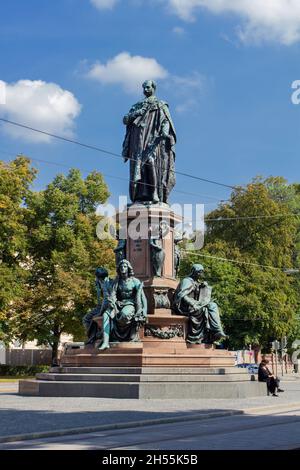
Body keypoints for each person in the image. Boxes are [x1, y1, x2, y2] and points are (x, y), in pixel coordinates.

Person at [122, 80, 176, 204]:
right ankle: (139, 196)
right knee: (137, 166)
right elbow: (125, 119)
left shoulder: (160, 104)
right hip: (137, 140)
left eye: (148, 87)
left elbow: (166, 121)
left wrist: (164, 132)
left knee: (150, 162)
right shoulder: (137, 105)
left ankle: (154, 193)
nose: (145, 90)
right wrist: (137, 113)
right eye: (144, 88)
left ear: (153, 88)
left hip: (153, 140)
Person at [98, 259, 148, 350]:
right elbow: (113, 294)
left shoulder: (135, 281)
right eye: (121, 267)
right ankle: (105, 342)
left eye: (125, 266)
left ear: (128, 268)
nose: (122, 268)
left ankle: (123, 336)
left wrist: (144, 309)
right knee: (106, 315)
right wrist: (111, 302)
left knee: (124, 315)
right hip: (118, 304)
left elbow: (142, 296)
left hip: (130, 304)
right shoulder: (117, 281)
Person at [173, 264, 227, 344]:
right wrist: (193, 304)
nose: (200, 274)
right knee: (203, 310)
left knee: (213, 305)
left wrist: (202, 287)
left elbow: (198, 293)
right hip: (186, 306)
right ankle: (209, 334)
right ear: (193, 272)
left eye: (201, 272)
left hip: (196, 303)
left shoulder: (196, 281)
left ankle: (216, 331)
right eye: (199, 272)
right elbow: (182, 295)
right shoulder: (187, 281)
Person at [82, 267, 110, 345]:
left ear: (98, 277)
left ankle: (93, 337)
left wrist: (100, 313)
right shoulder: (102, 283)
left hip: (107, 307)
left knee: (86, 319)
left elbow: (106, 300)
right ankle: (92, 337)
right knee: (88, 318)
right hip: (102, 307)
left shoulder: (105, 283)